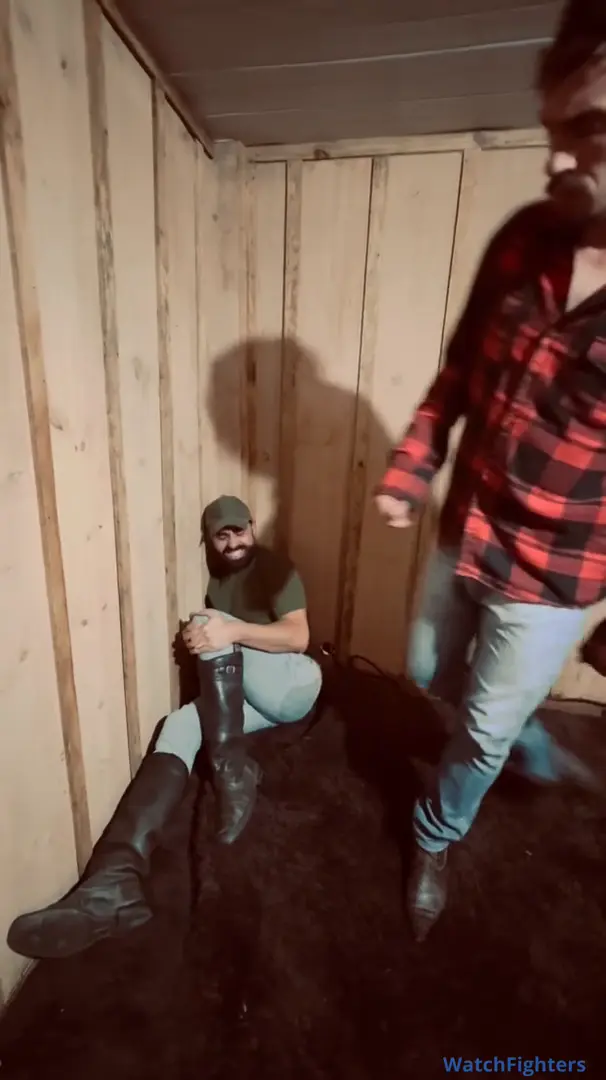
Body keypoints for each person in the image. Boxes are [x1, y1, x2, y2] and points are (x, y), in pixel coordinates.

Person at [374, 0, 606, 942]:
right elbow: (462, 368)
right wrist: (413, 462)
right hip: (465, 529)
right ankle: (519, 726)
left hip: (555, 575)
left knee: (476, 732)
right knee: (428, 672)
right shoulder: (525, 235)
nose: (554, 162)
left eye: (588, 132)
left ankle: (435, 832)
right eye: (553, 131)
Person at [7, 495, 322, 960]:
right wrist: (210, 638)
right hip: (248, 698)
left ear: (252, 528)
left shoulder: (276, 569)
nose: (233, 541)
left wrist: (227, 631)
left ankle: (234, 773)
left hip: (294, 683)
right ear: (211, 541)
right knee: (178, 724)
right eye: (222, 535)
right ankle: (112, 883)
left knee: (209, 622)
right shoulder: (219, 580)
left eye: (239, 530)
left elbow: (299, 636)